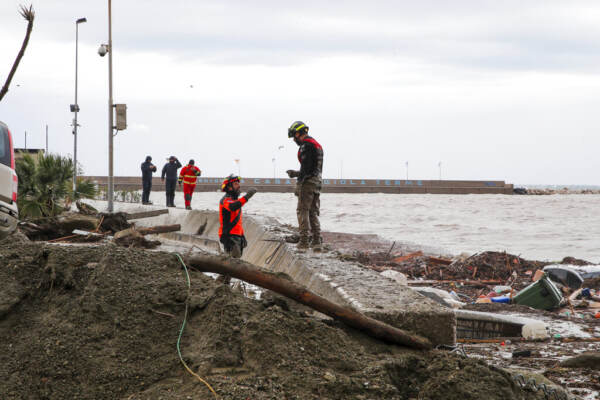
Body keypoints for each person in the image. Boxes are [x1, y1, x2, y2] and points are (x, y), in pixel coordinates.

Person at [286, 121, 324, 251]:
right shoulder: (317, 145)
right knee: (313, 211)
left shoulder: (305, 146)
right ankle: (317, 241)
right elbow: (313, 168)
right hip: (317, 182)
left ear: (298, 133)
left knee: (302, 210)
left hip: (307, 183)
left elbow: (306, 169)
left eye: (294, 136)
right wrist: (297, 173)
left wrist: (297, 177)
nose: (294, 140)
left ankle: (303, 242)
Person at [219, 175, 257, 259]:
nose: (239, 186)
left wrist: (242, 235)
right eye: (236, 184)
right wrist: (247, 197)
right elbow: (232, 207)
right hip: (230, 237)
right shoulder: (226, 199)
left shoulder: (234, 200)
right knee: (232, 262)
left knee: (235, 260)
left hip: (236, 236)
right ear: (229, 187)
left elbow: (236, 220)